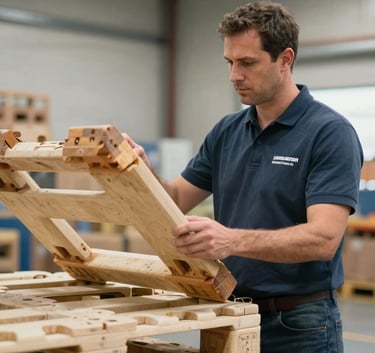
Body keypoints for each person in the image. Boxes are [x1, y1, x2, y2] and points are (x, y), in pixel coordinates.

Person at [124, 2, 363, 352]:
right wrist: (141, 172)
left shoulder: (329, 133)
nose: (234, 75)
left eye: (247, 63)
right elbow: (175, 198)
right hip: (231, 314)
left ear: (285, 59)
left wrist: (231, 241)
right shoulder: (227, 131)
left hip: (299, 325)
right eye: (230, 63)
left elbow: (323, 239)